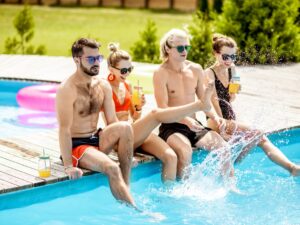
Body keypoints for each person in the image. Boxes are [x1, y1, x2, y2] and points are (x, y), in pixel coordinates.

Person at [106, 42, 214, 182]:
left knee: (171, 157)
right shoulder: (105, 87)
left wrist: (138, 108)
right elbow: (111, 123)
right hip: (117, 137)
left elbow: (135, 116)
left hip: (134, 132)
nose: (127, 74)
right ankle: (198, 105)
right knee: (155, 113)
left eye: (129, 69)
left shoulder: (128, 86)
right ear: (110, 69)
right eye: (123, 70)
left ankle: (170, 196)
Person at [204, 33, 300, 176]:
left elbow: (232, 98)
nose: (229, 60)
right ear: (215, 54)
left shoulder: (232, 69)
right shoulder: (209, 73)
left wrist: (235, 90)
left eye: (233, 56)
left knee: (259, 138)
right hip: (215, 119)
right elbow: (214, 101)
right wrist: (221, 124)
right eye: (225, 57)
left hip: (230, 118)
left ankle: (292, 168)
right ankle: (228, 165)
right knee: (257, 132)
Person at [56, 38, 136, 207]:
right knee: (112, 168)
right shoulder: (67, 89)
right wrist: (68, 166)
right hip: (78, 145)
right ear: (77, 60)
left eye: (98, 58)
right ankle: (136, 212)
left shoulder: (103, 85)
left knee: (125, 127)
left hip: (97, 138)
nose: (96, 63)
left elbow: (112, 122)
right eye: (90, 59)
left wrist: (126, 153)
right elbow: (64, 130)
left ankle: (126, 187)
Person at [153, 29, 234, 179]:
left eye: (187, 47)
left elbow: (204, 101)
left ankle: (230, 188)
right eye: (180, 48)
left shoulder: (195, 69)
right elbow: (162, 110)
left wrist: (216, 118)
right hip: (172, 127)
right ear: (167, 49)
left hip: (194, 126)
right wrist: (185, 120)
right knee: (185, 151)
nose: (184, 51)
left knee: (224, 149)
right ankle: (183, 193)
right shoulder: (160, 73)